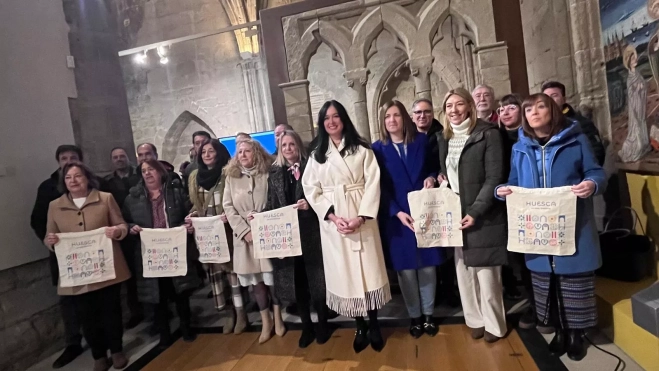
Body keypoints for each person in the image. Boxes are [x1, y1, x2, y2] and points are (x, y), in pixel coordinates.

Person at [496, 93, 606, 361]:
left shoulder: (575, 138)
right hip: (538, 229)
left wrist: (591, 184)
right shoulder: (519, 147)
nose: (534, 112)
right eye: (528, 108)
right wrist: (502, 191)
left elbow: (596, 172)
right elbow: (511, 181)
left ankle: (576, 334)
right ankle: (558, 330)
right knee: (548, 285)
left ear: (553, 111)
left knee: (574, 283)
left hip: (572, 223)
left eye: (541, 106)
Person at [302, 100, 391, 353]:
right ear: (322, 123)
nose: (331, 122)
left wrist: (360, 217)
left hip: (362, 220)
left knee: (367, 273)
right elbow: (311, 189)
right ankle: (359, 325)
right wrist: (331, 216)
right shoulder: (317, 154)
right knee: (346, 275)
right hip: (335, 225)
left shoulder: (362, 149)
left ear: (343, 119)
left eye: (335, 116)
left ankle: (374, 324)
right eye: (326, 118)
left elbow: (373, 184)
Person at [437, 88, 508, 343]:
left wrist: (476, 211)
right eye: (448, 106)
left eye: (458, 104)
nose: (453, 110)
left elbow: (494, 177)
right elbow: (445, 170)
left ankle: (495, 324)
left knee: (487, 275)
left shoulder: (488, 133)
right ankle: (475, 319)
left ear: (469, 105)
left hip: (482, 213)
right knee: (463, 272)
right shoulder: (443, 137)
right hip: (455, 212)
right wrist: (439, 177)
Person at [44, 162, 130, 371]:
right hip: (78, 273)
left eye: (77, 176)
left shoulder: (105, 198)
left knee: (111, 312)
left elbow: (122, 225)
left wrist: (116, 232)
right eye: (68, 177)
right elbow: (49, 236)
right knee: (86, 316)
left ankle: (117, 351)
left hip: (106, 268)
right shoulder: (55, 206)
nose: (73, 181)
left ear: (87, 178)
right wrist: (51, 242)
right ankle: (99, 355)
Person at [372, 100, 444, 338]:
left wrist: (431, 178)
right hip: (397, 218)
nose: (392, 120)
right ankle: (414, 316)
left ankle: (428, 316)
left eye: (396, 115)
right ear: (383, 122)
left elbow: (434, 168)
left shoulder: (421, 141)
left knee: (427, 268)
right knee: (405, 272)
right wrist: (396, 212)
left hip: (424, 213)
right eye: (387, 117)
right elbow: (379, 187)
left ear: (405, 118)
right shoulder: (377, 149)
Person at [122, 159, 201, 347]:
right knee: (158, 296)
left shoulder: (175, 192)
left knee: (180, 292)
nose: (148, 173)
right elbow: (123, 221)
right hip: (151, 253)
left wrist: (189, 222)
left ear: (160, 172)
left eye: (151, 170)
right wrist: (131, 227)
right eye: (143, 171)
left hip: (174, 249)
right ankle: (164, 332)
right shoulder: (132, 198)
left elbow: (190, 211)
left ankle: (186, 327)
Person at [265, 130, 330, 348]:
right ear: (280, 150)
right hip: (288, 237)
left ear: (298, 146)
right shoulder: (274, 174)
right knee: (298, 284)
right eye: (284, 146)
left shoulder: (311, 166)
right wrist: (258, 216)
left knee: (317, 282)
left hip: (311, 232)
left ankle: (322, 323)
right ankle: (306, 327)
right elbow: (271, 204)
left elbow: (324, 195)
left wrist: (310, 206)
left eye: (292, 144)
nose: (288, 149)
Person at [223, 139, 286, 344]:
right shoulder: (231, 177)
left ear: (256, 152)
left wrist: (261, 219)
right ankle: (265, 321)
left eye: (247, 151)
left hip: (266, 232)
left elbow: (275, 199)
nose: (242, 154)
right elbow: (228, 207)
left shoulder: (267, 173)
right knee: (256, 283)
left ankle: (278, 318)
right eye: (239, 151)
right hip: (245, 240)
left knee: (272, 280)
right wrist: (244, 231)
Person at [187, 139, 248, 334]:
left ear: (219, 152)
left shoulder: (228, 173)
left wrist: (228, 216)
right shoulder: (195, 177)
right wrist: (193, 215)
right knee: (216, 277)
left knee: (232, 275)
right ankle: (228, 314)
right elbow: (197, 205)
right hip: (208, 236)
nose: (206, 154)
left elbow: (237, 200)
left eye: (210, 150)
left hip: (228, 232)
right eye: (203, 151)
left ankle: (241, 314)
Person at [30, 145, 84, 369]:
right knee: (68, 300)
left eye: (73, 158)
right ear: (58, 161)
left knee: (96, 298)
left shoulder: (91, 185)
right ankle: (73, 342)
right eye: (64, 158)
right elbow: (38, 220)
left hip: (91, 253)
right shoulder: (48, 188)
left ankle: (101, 339)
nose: (68, 161)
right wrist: (51, 241)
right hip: (63, 256)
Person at [101, 147, 143, 329]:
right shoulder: (106, 183)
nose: (119, 160)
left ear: (128, 158)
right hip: (122, 234)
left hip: (143, 227)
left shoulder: (139, 175)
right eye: (115, 157)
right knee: (130, 275)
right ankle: (136, 311)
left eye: (122, 156)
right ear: (112, 161)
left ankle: (159, 306)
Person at [541, 81, 606, 165]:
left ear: (564, 99)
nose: (550, 100)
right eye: (546, 97)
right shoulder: (539, 126)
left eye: (554, 95)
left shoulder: (580, 123)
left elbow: (596, 152)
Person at [617, 47, 652, 163]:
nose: (635, 59)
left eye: (635, 57)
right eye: (632, 58)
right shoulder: (629, 78)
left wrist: (642, 88)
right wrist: (637, 88)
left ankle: (644, 144)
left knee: (642, 124)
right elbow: (631, 93)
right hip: (635, 108)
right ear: (628, 61)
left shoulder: (637, 73)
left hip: (640, 105)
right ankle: (637, 146)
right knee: (636, 127)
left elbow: (643, 85)